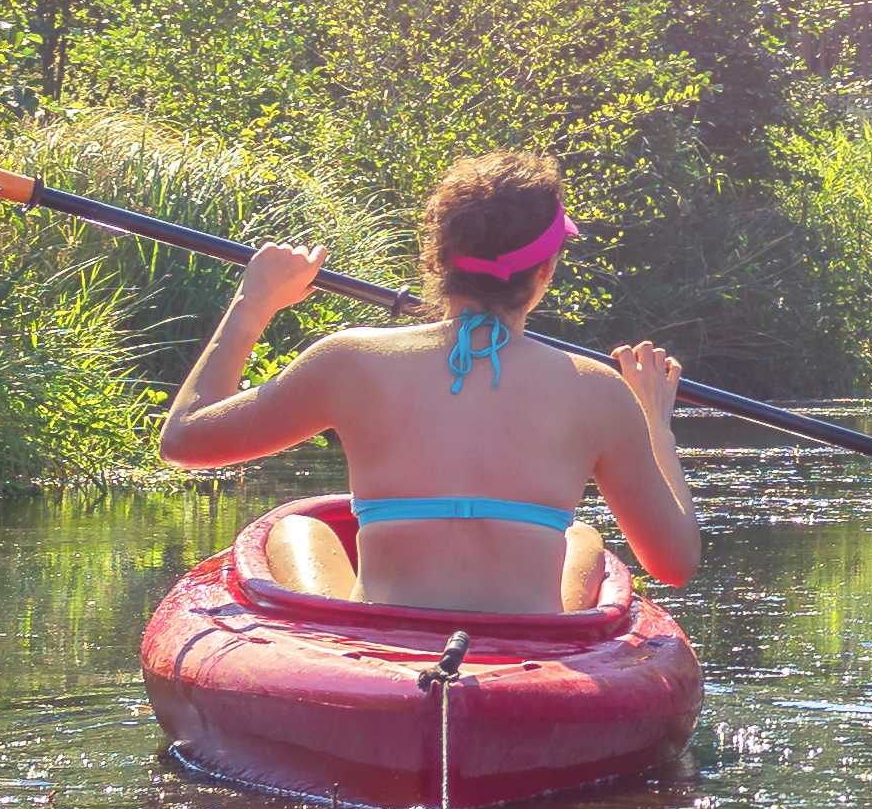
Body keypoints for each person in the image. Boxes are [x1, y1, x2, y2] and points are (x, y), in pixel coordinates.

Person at [152, 152, 705, 613]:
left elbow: (184, 441)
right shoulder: (599, 390)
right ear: (545, 272)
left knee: (298, 529)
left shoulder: (349, 359)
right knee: (581, 540)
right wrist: (655, 423)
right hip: (527, 647)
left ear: (438, 260)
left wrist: (256, 302)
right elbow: (673, 564)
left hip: (383, 638)